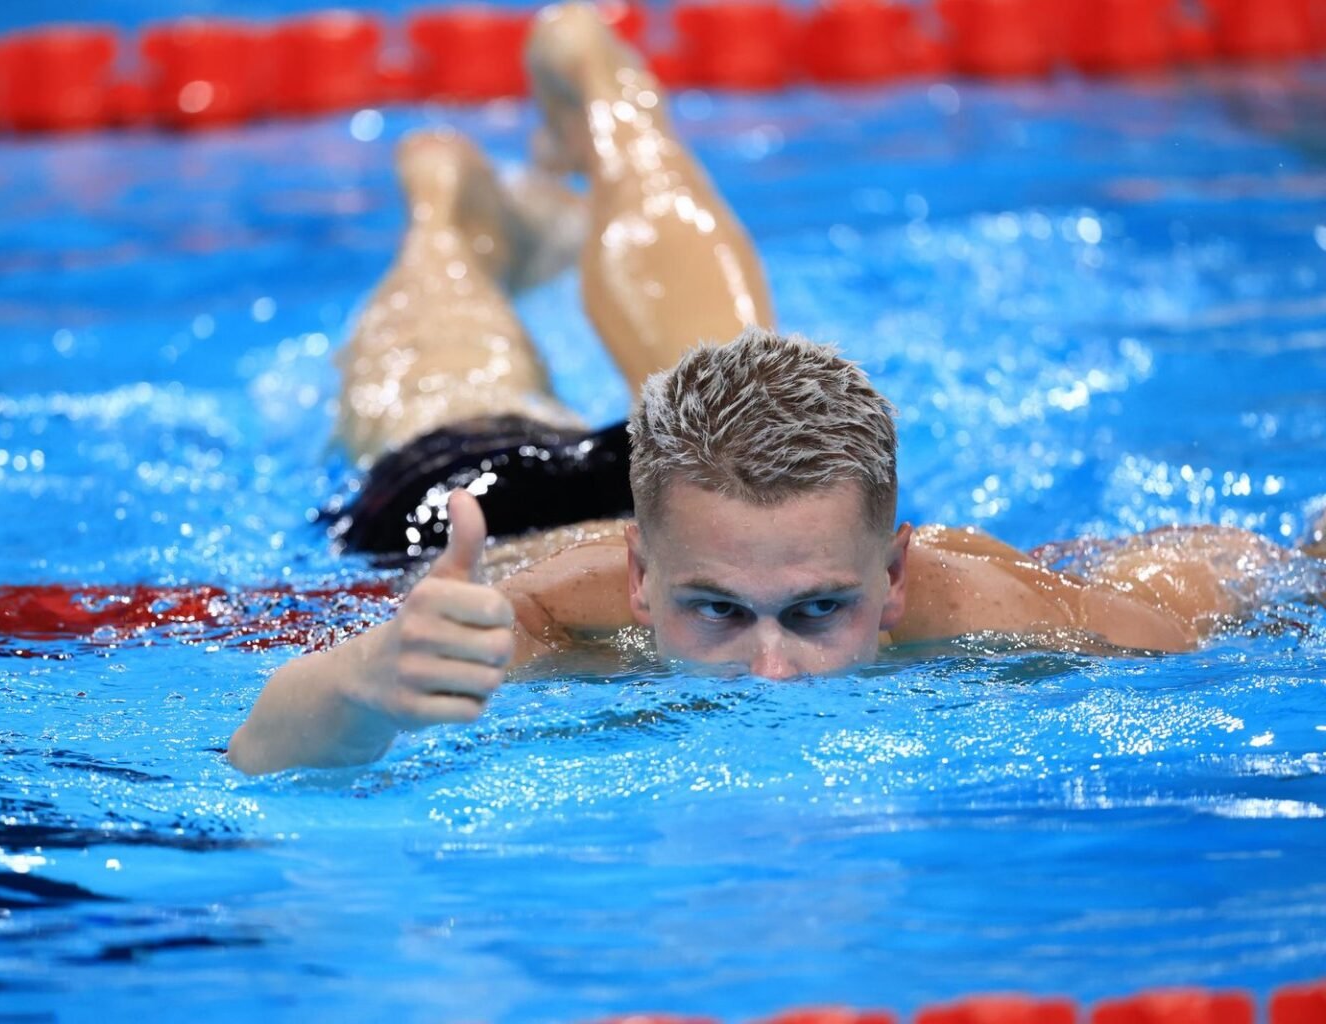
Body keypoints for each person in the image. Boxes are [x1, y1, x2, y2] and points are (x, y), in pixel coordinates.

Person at [223, 4, 1326, 775]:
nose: (768, 673)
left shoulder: (989, 606)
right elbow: (261, 752)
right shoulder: (533, 626)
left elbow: (1194, 582)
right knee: (450, 371)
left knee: (735, 356)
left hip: (695, 492)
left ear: (894, 576)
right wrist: (369, 676)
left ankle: (604, 89)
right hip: (483, 502)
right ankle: (450, 208)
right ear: (640, 578)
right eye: (716, 613)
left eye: (816, 612)